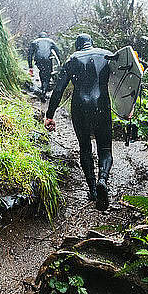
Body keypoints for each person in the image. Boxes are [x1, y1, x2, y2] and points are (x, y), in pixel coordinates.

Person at [44, 33, 113, 211]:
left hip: (80, 106)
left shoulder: (73, 59)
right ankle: (103, 180)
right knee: (105, 149)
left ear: (78, 46)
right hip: (102, 104)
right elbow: (124, 81)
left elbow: (59, 89)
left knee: (85, 148)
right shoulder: (106, 55)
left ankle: (92, 190)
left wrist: (50, 115)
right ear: (91, 44)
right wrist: (127, 108)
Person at [28, 32, 62, 102]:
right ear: (46, 36)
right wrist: (60, 61)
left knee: (42, 72)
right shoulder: (50, 41)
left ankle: (43, 88)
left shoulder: (35, 42)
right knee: (47, 76)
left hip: (39, 60)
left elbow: (30, 55)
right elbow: (57, 51)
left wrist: (30, 66)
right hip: (47, 60)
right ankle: (43, 92)